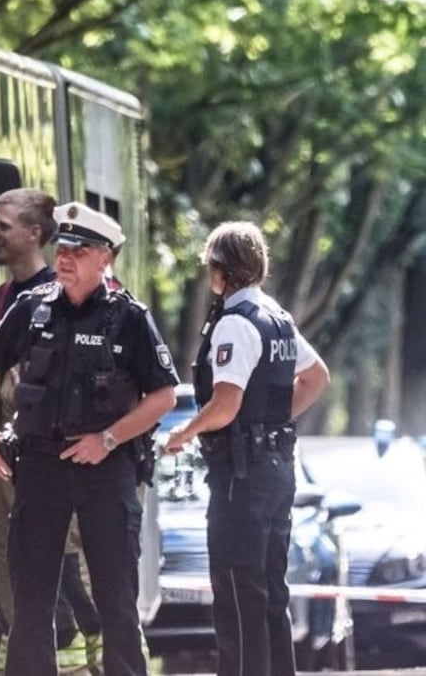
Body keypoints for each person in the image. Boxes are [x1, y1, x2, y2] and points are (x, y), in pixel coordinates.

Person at [0, 201, 178, 676]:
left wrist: (108, 438)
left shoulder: (128, 317)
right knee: (32, 599)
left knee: (115, 597)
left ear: (105, 258)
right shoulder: (32, 307)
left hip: (105, 468)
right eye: (61, 248)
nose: (64, 258)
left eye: (78, 250)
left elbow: (163, 395)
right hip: (40, 466)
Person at [164, 221, 330, 676]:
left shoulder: (235, 325)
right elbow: (317, 378)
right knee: (271, 594)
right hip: (277, 469)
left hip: (242, 476)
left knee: (238, 596)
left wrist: (183, 433)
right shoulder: (276, 316)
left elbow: (225, 405)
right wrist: (274, 423)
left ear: (220, 271)